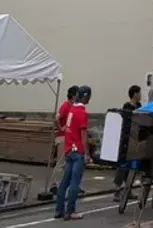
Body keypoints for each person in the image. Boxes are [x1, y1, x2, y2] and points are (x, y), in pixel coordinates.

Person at [55, 86, 92, 220]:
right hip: (78, 150)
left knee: (65, 181)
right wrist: (86, 153)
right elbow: (83, 134)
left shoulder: (71, 110)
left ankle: (59, 210)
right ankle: (70, 211)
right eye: (89, 96)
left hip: (69, 149)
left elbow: (67, 129)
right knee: (75, 182)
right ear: (85, 96)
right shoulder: (81, 112)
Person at [113, 86, 142, 203]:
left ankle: (128, 189)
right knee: (123, 165)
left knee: (132, 166)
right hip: (127, 139)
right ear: (134, 94)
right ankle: (117, 190)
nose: (140, 95)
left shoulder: (139, 106)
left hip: (136, 138)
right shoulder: (127, 106)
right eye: (139, 93)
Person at [50, 86, 78, 193]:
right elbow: (57, 118)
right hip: (63, 137)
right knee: (61, 162)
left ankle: (69, 184)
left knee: (71, 162)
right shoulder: (66, 106)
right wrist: (61, 128)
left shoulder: (73, 106)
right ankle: (53, 185)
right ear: (73, 95)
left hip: (70, 138)